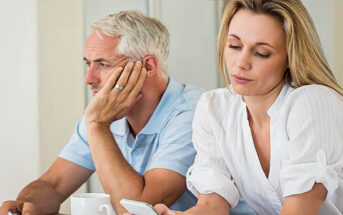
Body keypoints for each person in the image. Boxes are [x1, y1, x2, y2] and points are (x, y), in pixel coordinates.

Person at [0, 11, 204, 215]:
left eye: (102, 64)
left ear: (148, 66)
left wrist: (98, 125)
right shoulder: (105, 113)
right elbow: (54, 185)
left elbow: (139, 209)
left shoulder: (194, 113)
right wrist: (23, 205)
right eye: (88, 64)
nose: (88, 78)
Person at [152, 0, 343, 214]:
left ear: (291, 56)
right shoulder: (214, 108)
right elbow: (211, 205)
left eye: (261, 53)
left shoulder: (312, 102)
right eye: (234, 45)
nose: (241, 63)